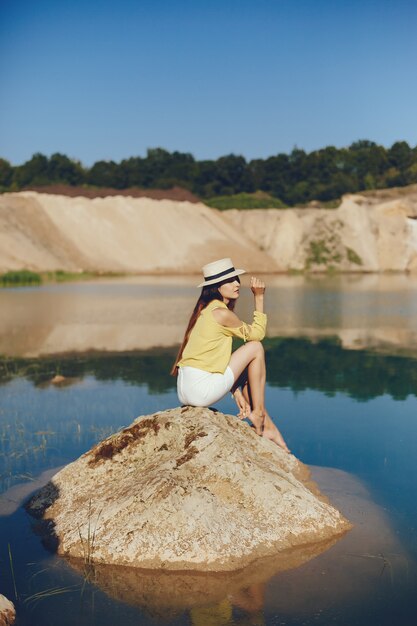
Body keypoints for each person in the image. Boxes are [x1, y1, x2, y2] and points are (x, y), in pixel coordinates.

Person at [171, 258, 289, 452]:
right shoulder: (222, 313)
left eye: (236, 279)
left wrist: (235, 391)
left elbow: (212, 360)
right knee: (256, 348)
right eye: (230, 281)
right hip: (201, 391)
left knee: (247, 365)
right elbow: (257, 335)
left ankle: (269, 427)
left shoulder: (206, 312)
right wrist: (259, 297)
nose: (237, 284)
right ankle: (259, 415)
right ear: (217, 287)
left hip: (187, 391)